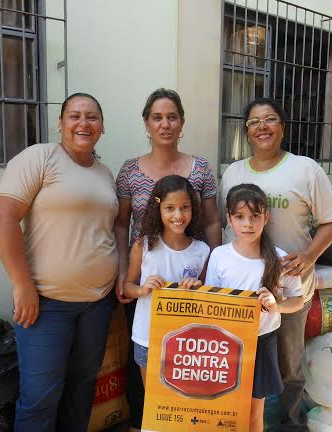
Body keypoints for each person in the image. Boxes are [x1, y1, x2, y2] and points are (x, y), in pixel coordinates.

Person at [0, 93, 121, 432]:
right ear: (60, 123)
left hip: (97, 303)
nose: (83, 123)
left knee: (81, 392)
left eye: (92, 117)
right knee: (40, 399)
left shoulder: (105, 174)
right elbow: (3, 218)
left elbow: (105, 231)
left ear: (102, 127)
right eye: (75, 116)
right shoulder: (40, 158)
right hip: (46, 303)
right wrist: (22, 285)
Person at [219, 97, 332, 431]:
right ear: (247, 132)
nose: (262, 127)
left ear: (282, 128)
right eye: (254, 122)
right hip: (240, 293)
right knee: (234, 361)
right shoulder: (232, 173)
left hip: (289, 291)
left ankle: (290, 423)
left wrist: (309, 255)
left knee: (289, 366)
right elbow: (223, 225)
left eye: (270, 119)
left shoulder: (305, 169)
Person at [114, 88, 221, 431]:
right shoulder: (130, 171)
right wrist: (124, 278)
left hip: (192, 280)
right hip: (147, 278)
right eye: (157, 117)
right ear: (146, 123)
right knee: (144, 359)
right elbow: (120, 224)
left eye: (171, 116)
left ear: (182, 122)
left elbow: (214, 221)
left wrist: (214, 275)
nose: (165, 124)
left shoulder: (201, 168)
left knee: (187, 359)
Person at [205, 183, 304, 432]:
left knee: (253, 414)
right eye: (239, 217)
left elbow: (298, 299)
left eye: (254, 216)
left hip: (261, 341)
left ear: (266, 217)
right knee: (223, 410)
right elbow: (210, 301)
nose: (247, 224)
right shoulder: (219, 255)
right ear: (229, 219)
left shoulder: (280, 258)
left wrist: (276, 305)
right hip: (224, 343)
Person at [123, 175, 210, 385]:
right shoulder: (142, 247)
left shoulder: (202, 251)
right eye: (170, 208)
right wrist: (142, 290)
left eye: (185, 207)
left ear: (193, 209)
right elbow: (127, 287)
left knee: (180, 404)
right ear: (158, 209)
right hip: (147, 338)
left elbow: (209, 297)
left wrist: (198, 289)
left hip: (186, 342)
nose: (178, 215)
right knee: (153, 402)